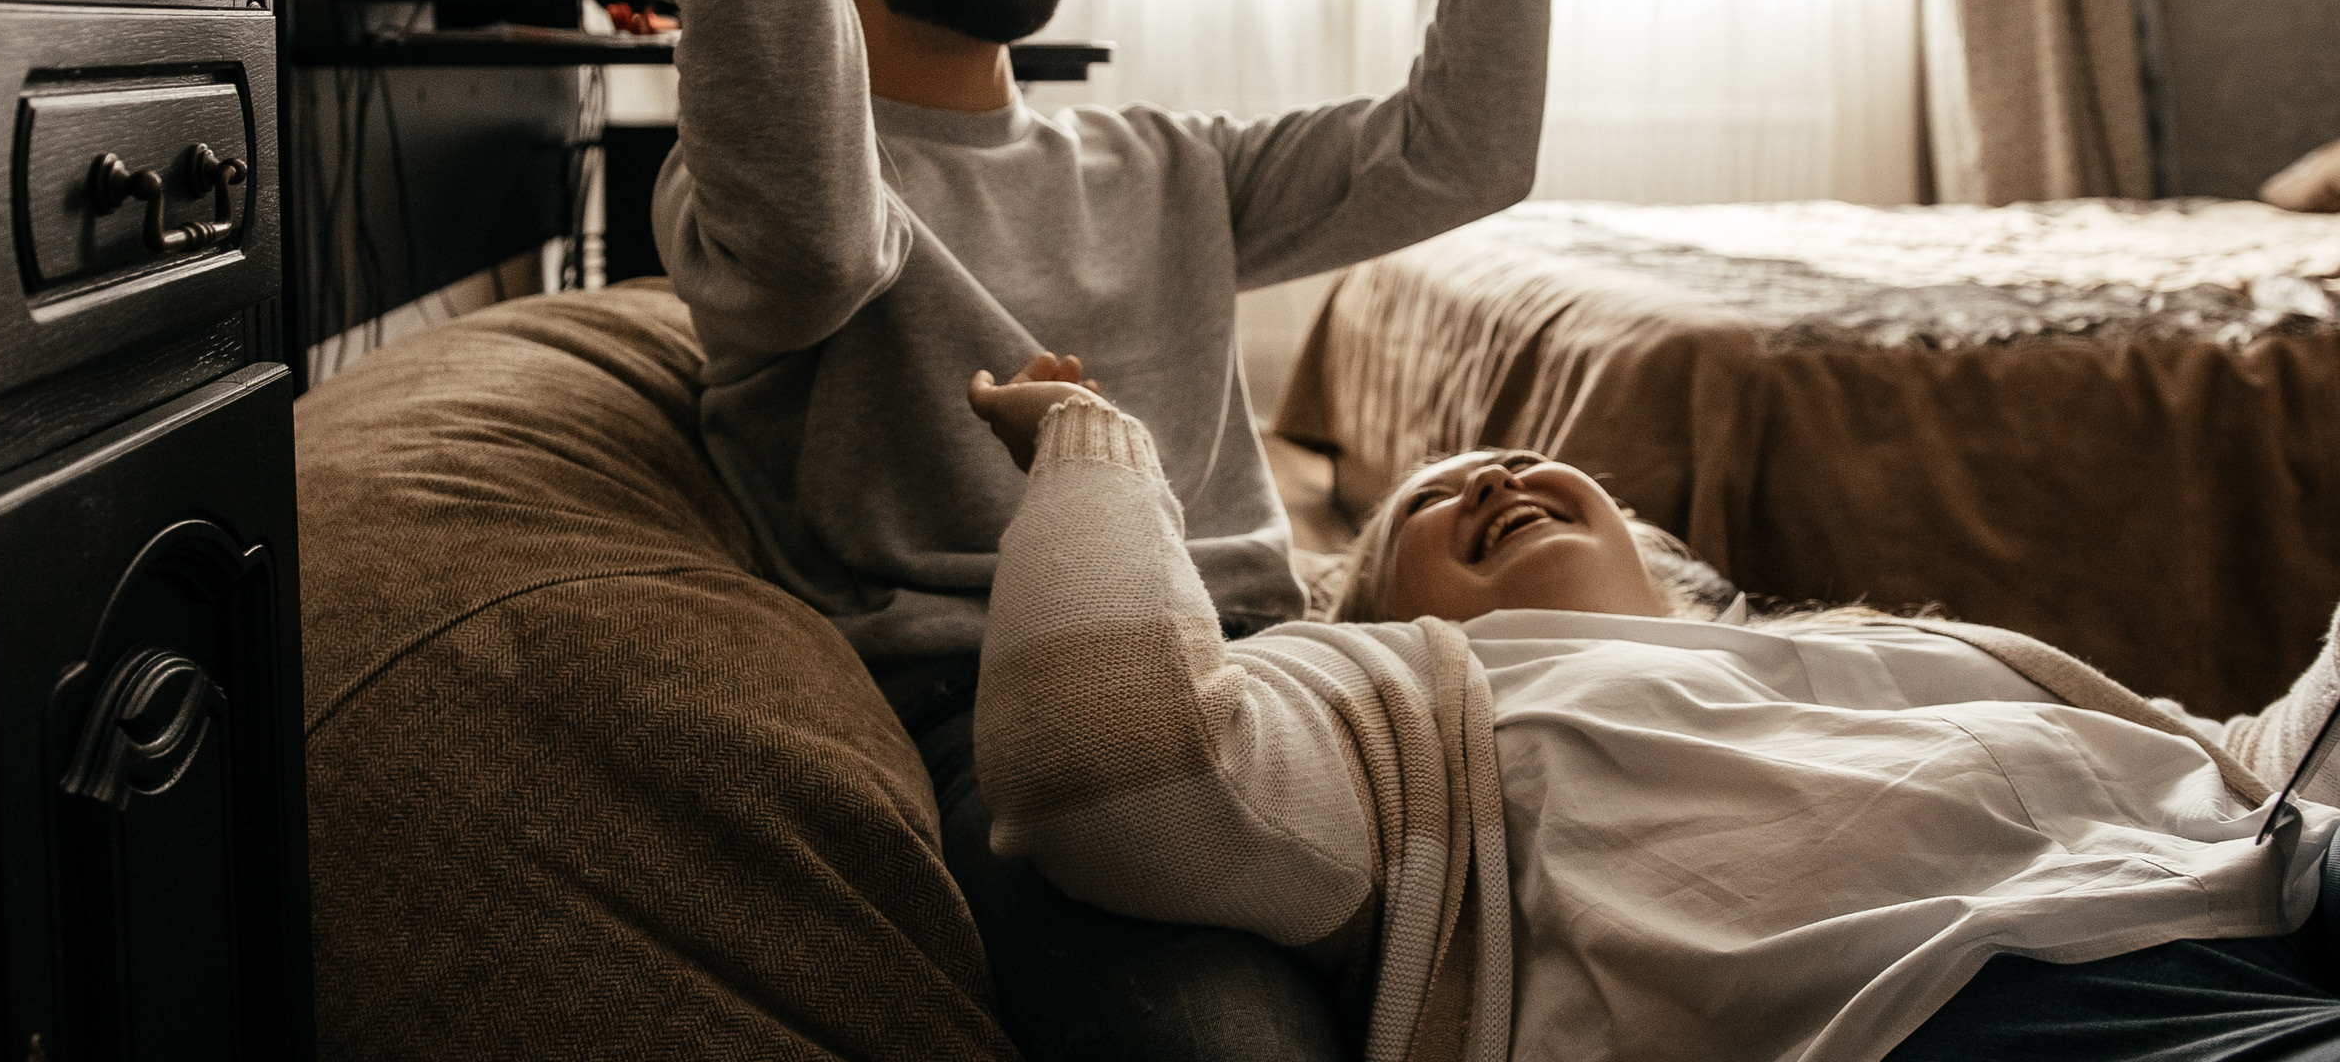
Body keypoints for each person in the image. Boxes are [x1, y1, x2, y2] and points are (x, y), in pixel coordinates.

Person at [616, 0, 1552, 1061]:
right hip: (1027, 736)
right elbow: (811, 246)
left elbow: (1466, 154)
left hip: (1295, 682)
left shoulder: (1164, 162)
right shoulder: (760, 195)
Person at [963, 363, 2340, 1062]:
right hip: (1987, 1013)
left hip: (2283, 889)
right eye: (1430, 504)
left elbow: (2248, 768)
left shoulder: (1902, 652)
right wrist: (1093, 441)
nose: (1492, 478)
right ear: (1372, 611)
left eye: (1524, 458)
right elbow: (1108, 768)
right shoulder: (1410, 705)